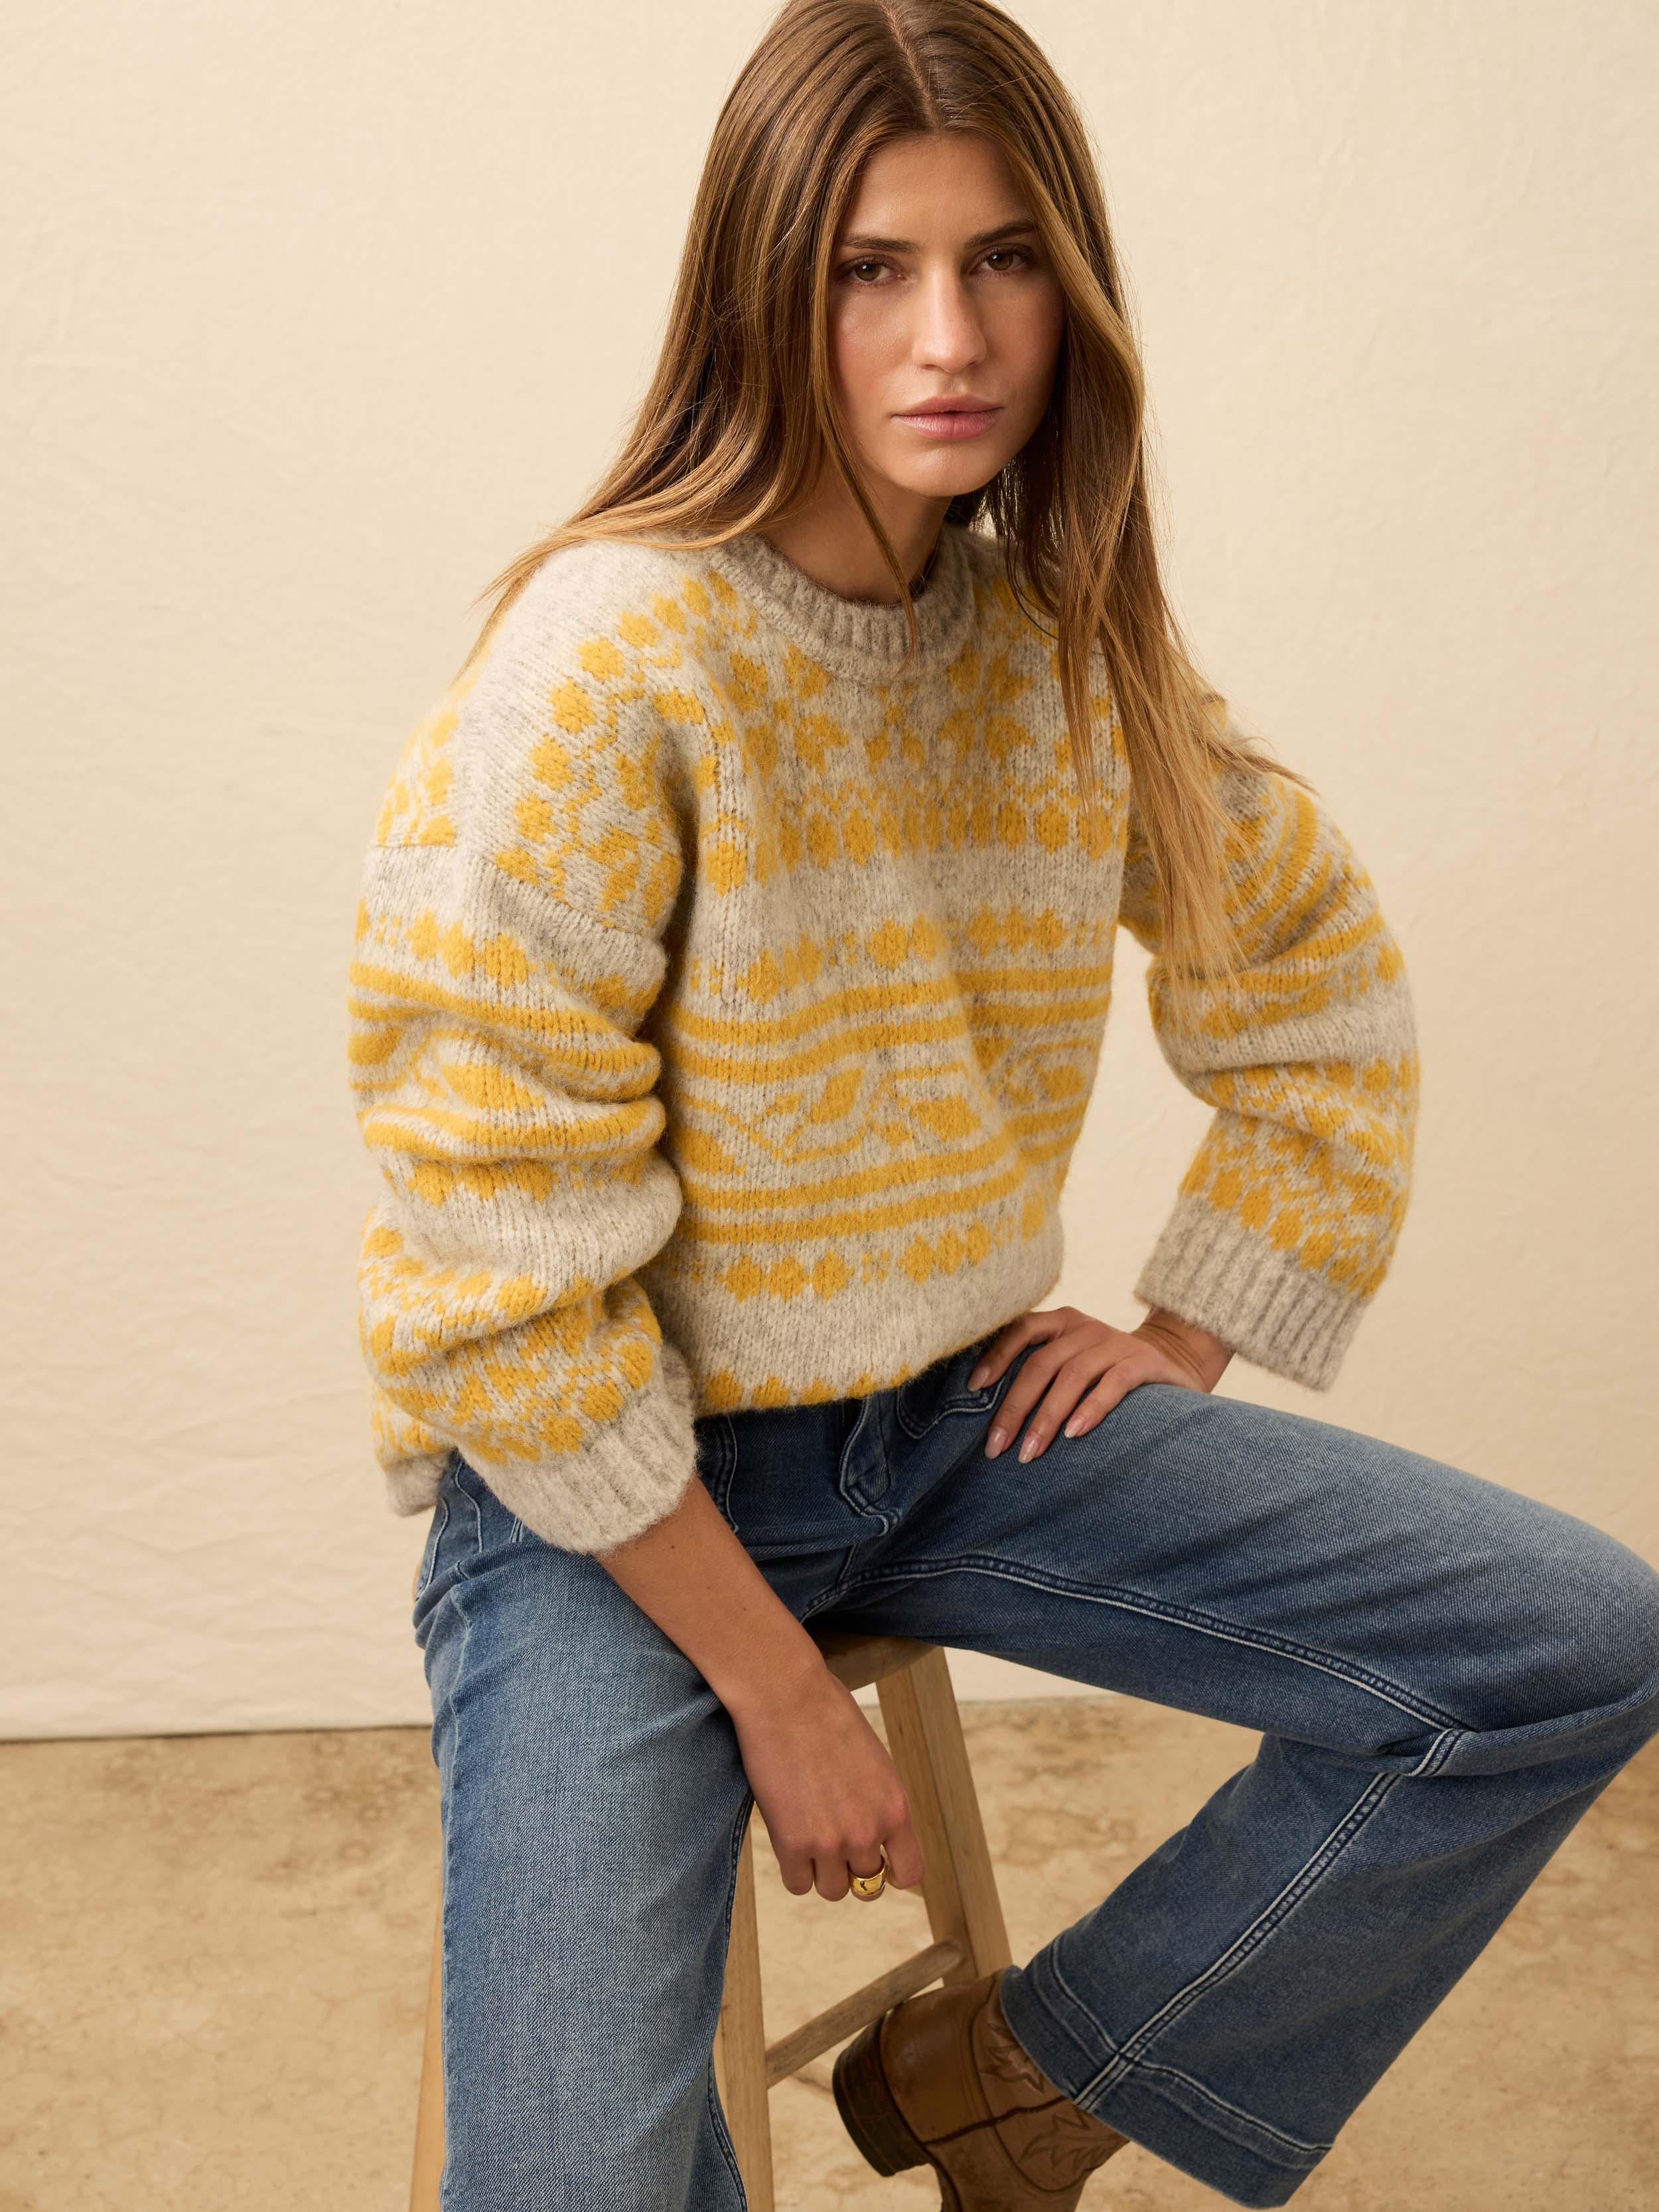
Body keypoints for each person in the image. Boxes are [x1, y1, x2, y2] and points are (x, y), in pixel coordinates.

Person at [344, 2, 1659, 2204]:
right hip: (610, 1498)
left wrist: (1174, 1331)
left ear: (1076, 293)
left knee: (1567, 1643)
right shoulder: (603, 667)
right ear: (769, 285)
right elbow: (488, 1274)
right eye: (873, 267)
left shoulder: (1058, 649)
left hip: (951, 1427)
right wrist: (775, 1686)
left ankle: (1035, 2078)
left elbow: (1314, 982)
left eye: (1005, 259)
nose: (947, 335)